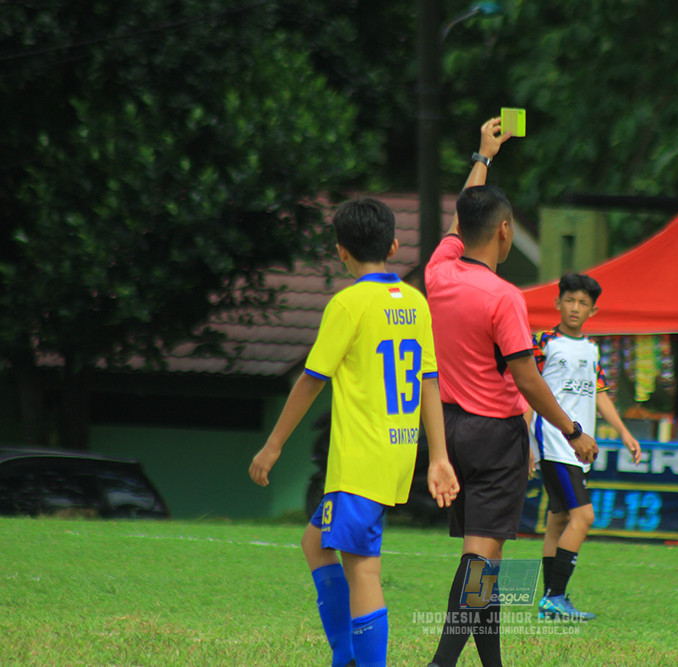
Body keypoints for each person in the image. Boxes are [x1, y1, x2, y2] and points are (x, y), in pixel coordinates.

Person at [248, 198, 459, 667]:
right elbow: (429, 380)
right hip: (397, 451)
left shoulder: (348, 303)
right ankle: (345, 653)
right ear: (394, 245)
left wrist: (273, 444)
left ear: (341, 251)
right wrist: (438, 456)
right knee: (315, 542)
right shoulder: (416, 303)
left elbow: (310, 380)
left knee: (363, 568)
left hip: (361, 459)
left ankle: (363, 661)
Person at [424, 117, 600, 667]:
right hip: (496, 434)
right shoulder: (505, 297)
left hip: (451, 429)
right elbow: (527, 378)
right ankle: (442, 662)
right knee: (481, 558)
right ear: (504, 231)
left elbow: (463, 213)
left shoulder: (438, 271)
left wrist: (484, 155)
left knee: (489, 558)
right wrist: (573, 431)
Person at [529, 272, 641, 621]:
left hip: (579, 448)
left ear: (593, 310)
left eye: (583, 303)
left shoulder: (592, 350)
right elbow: (526, 391)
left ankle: (550, 600)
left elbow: (599, 394)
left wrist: (623, 431)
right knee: (584, 516)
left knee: (559, 519)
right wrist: (526, 442)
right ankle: (556, 597)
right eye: (569, 300)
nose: (575, 308)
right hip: (554, 442)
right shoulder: (543, 343)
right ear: (557, 303)